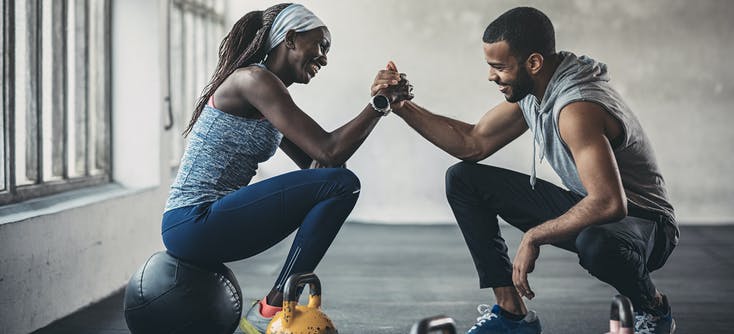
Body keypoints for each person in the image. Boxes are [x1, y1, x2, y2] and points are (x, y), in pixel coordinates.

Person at [383, 7, 678, 334]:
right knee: (463, 179)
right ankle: (512, 316)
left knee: (596, 244)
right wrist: (401, 107)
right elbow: (473, 143)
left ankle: (652, 308)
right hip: (593, 206)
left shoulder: (576, 109)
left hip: (647, 227)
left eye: (498, 67)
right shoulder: (536, 89)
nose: (491, 77)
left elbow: (611, 203)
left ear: (533, 63)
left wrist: (535, 235)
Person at [160, 3, 412, 334]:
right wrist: (378, 105)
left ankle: (272, 303)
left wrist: (382, 101)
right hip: (192, 221)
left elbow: (322, 166)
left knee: (339, 183)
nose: (324, 57)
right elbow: (329, 153)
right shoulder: (252, 80)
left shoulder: (268, 94)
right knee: (341, 183)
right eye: (321, 45)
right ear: (290, 38)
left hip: (210, 225)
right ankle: (273, 306)